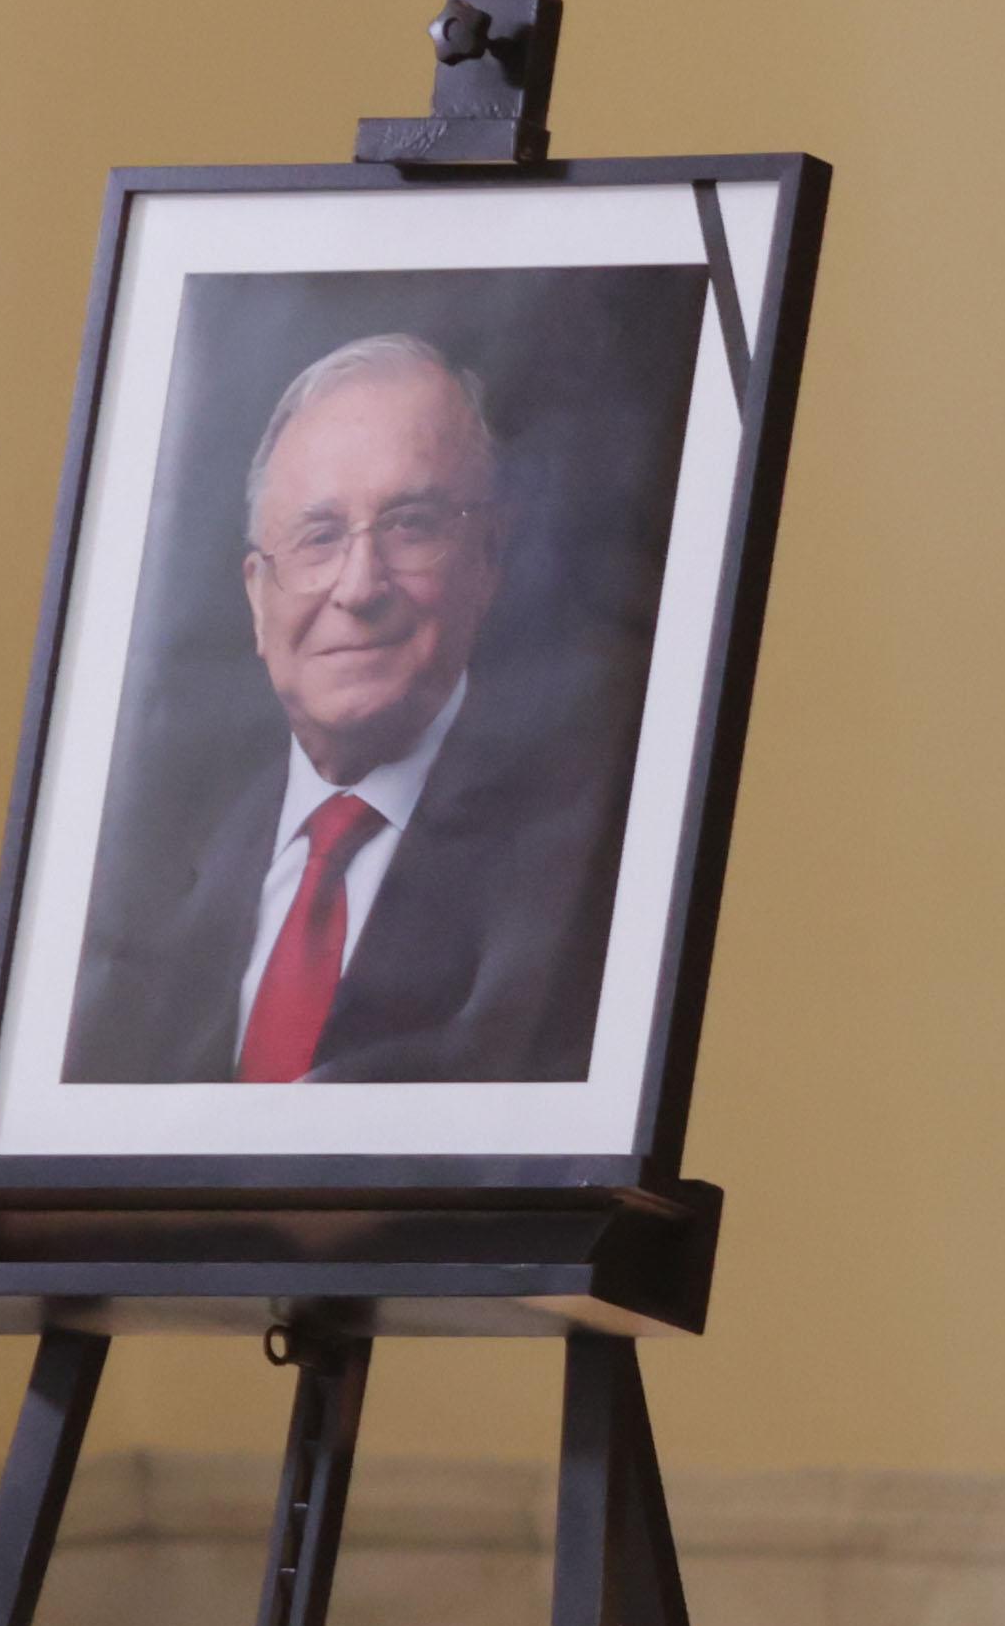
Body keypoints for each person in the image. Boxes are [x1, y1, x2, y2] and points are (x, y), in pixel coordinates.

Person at [67, 327, 634, 1086]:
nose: (360, 586)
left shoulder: (594, 861)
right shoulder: (143, 874)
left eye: (410, 526)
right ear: (257, 595)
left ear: (490, 558)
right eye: (319, 536)